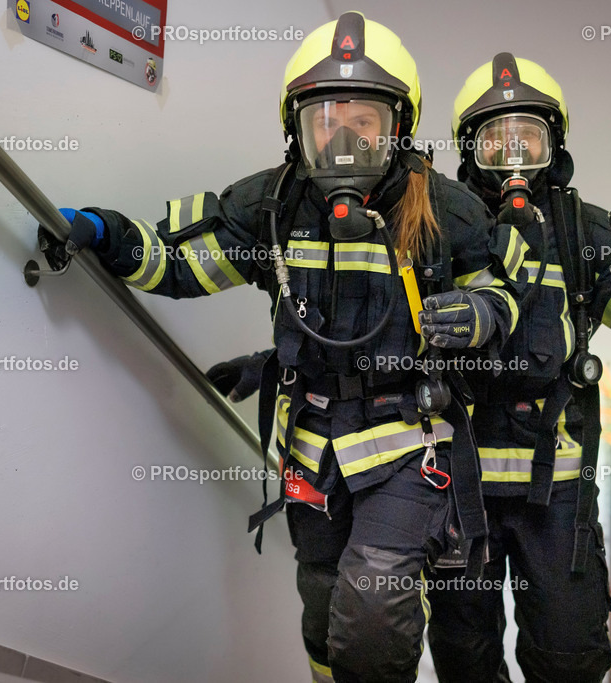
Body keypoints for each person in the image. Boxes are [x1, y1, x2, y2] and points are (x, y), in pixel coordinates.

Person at [48, 13, 523, 683]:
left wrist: (478, 313)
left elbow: (506, 295)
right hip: (311, 444)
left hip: (408, 443)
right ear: (296, 125)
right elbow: (179, 266)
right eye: (327, 119)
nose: (345, 138)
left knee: (374, 613)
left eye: (365, 119)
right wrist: (102, 230)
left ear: (399, 126)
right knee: (323, 612)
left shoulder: (447, 210)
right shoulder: (271, 205)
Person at [423, 53, 611, 683]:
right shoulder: (436, 233)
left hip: (555, 496)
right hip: (455, 486)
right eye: (495, 140)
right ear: (468, 154)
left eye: (527, 136)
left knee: (569, 657)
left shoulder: (584, 236)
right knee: (463, 659)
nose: (513, 155)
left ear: (554, 147)